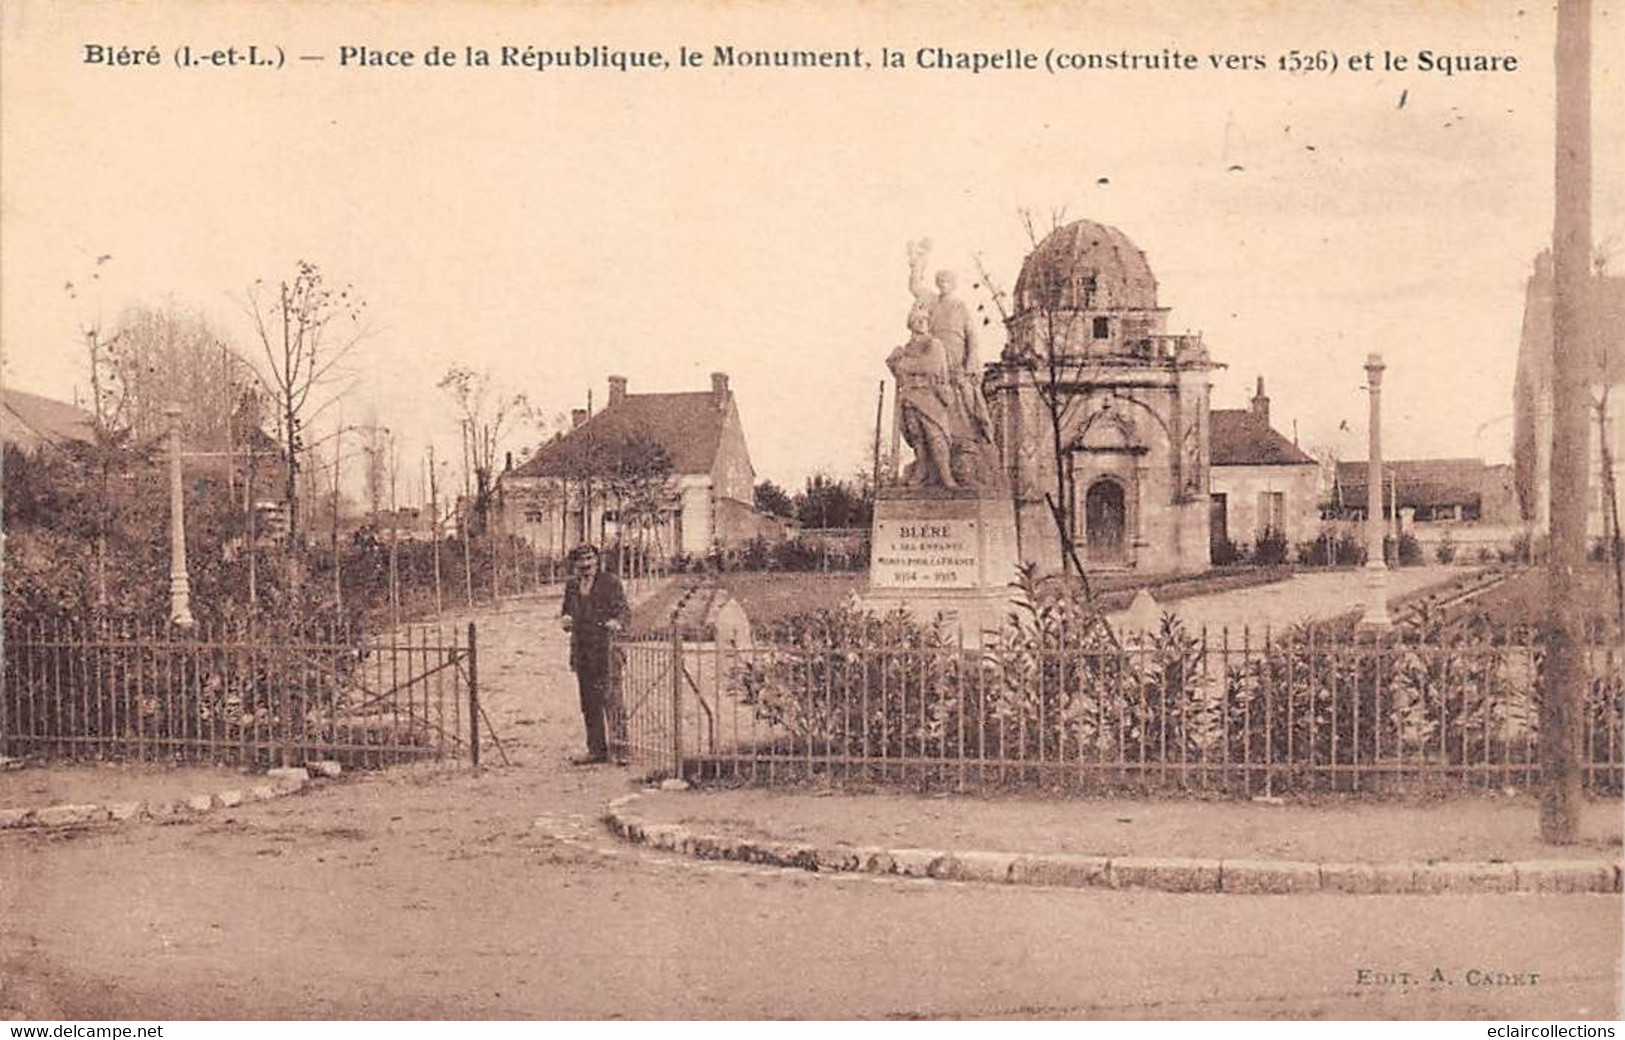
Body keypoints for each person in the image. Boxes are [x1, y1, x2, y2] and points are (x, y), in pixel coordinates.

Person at [560, 543, 630, 765]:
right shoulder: (572, 586)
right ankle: (596, 750)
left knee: (612, 699)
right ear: (575, 564)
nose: (585, 565)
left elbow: (623, 611)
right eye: (580, 561)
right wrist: (566, 620)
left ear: (597, 560)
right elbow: (567, 611)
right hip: (582, 650)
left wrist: (617, 622)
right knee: (589, 702)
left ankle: (621, 750)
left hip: (606, 649)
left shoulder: (610, 582)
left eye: (589, 559)